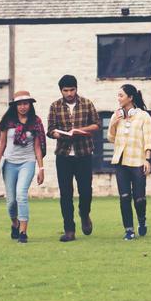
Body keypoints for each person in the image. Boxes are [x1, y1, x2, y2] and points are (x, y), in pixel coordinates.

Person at [46, 74, 100, 242]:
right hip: (63, 155)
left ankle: (84, 214)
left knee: (85, 191)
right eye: (65, 90)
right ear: (61, 90)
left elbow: (97, 124)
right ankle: (69, 229)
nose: (69, 93)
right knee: (65, 193)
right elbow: (50, 129)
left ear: (76, 88)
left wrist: (80, 130)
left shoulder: (87, 103)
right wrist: (57, 134)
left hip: (83, 154)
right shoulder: (55, 106)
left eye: (72, 90)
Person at [0, 90, 45, 243]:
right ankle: (15, 223)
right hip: (9, 163)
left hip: (27, 162)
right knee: (11, 202)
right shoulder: (7, 121)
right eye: (19, 104)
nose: (23, 107)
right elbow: (2, 144)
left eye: (25, 103)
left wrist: (41, 169)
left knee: (21, 195)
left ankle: (23, 232)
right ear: (15, 106)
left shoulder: (35, 122)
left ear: (30, 105)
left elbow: (37, 147)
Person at [107, 84, 151, 240]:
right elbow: (111, 138)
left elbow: (148, 140)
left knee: (139, 198)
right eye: (118, 95)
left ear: (130, 97)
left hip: (138, 161)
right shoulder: (116, 115)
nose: (118, 98)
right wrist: (114, 123)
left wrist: (147, 159)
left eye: (121, 95)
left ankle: (142, 220)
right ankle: (129, 230)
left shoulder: (144, 116)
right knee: (124, 196)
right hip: (121, 161)